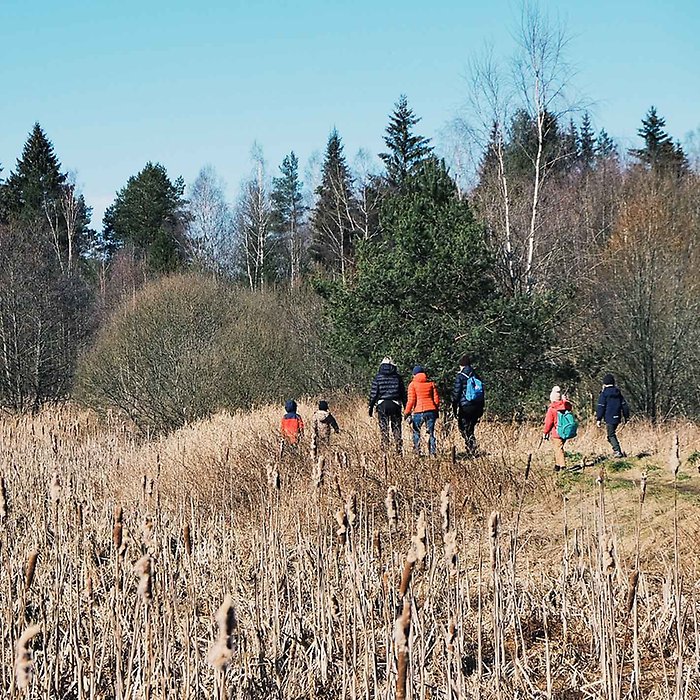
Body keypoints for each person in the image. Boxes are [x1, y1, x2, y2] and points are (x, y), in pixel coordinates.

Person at [368, 357, 407, 453]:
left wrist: (371, 407)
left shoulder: (378, 377)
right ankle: (398, 450)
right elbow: (403, 393)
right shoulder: (397, 377)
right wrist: (406, 407)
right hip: (395, 404)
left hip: (382, 404)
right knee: (396, 428)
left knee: (384, 428)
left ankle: (385, 451)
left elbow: (374, 393)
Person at [451, 354, 485, 456]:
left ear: (461, 365)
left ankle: (471, 447)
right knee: (471, 427)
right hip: (477, 405)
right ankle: (472, 446)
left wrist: (454, 406)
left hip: (465, 406)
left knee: (463, 427)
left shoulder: (460, 377)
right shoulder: (476, 375)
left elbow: (456, 394)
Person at [404, 365, 440, 456]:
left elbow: (411, 400)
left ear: (414, 374)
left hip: (419, 411)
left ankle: (417, 452)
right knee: (431, 433)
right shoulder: (431, 384)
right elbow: (436, 399)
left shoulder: (412, 385)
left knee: (416, 432)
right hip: (431, 410)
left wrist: (406, 412)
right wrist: (436, 409)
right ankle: (432, 453)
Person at [596, 373, 630, 458]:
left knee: (610, 435)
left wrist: (599, 419)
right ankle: (617, 450)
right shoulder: (618, 393)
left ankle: (617, 451)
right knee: (611, 435)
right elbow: (624, 405)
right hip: (617, 417)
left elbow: (601, 406)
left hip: (609, 418)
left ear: (604, 383)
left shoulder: (604, 394)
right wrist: (626, 417)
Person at [543, 386, 573, 471]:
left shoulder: (552, 409)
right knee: (558, 447)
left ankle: (563, 466)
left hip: (556, 432)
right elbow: (569, 406)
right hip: (565, 430)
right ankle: (557, 465)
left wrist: (545, 432)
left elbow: (548, 423)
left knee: (558, 448)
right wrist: (564, 400)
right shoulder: (566, 406)